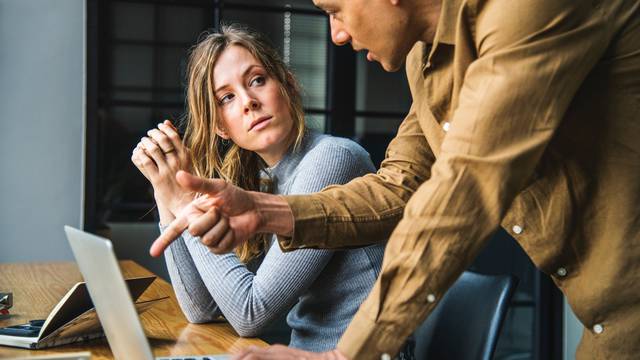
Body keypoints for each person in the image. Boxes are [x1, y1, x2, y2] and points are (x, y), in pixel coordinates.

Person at [152, 0, 640, 359]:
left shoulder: (525, 12)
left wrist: (347, 356)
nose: (337, 34)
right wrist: (264, 211)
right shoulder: (425, 61)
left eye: (336, 9)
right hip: (604, 322)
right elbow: (400, 186)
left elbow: (463, 189)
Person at [131, 24, 414, 357]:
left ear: (288, 84)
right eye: (227, 98)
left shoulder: (332, 159)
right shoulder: (265, 180)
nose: (248, 102)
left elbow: (250, 313)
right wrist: (167, 193)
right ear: (221, 126)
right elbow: (201, 309)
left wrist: (184, 202)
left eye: (257, 80)